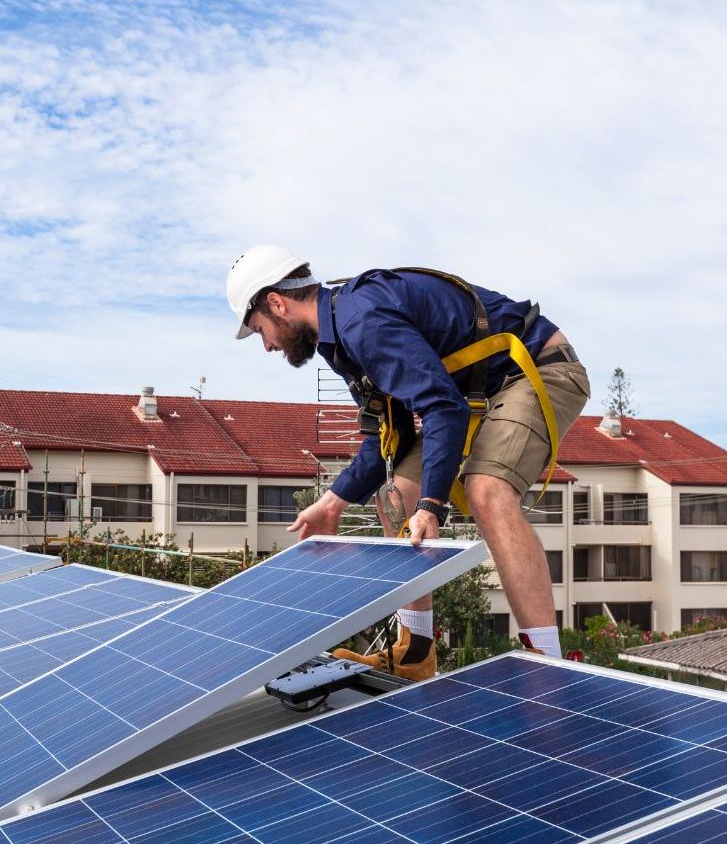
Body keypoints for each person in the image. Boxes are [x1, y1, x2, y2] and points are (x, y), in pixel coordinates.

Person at [227, 244, 590, 680]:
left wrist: (432, 506)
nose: (266, 345)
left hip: (537, 368)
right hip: (472, 394)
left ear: (276, 303)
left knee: (486, 491)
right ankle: (415, 653)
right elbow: (390, 437)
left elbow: (443, 409)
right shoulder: (339, 338)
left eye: (260, 329)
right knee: (396, 496)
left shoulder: (362, 321)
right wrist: (333, 502)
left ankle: (547, 666)